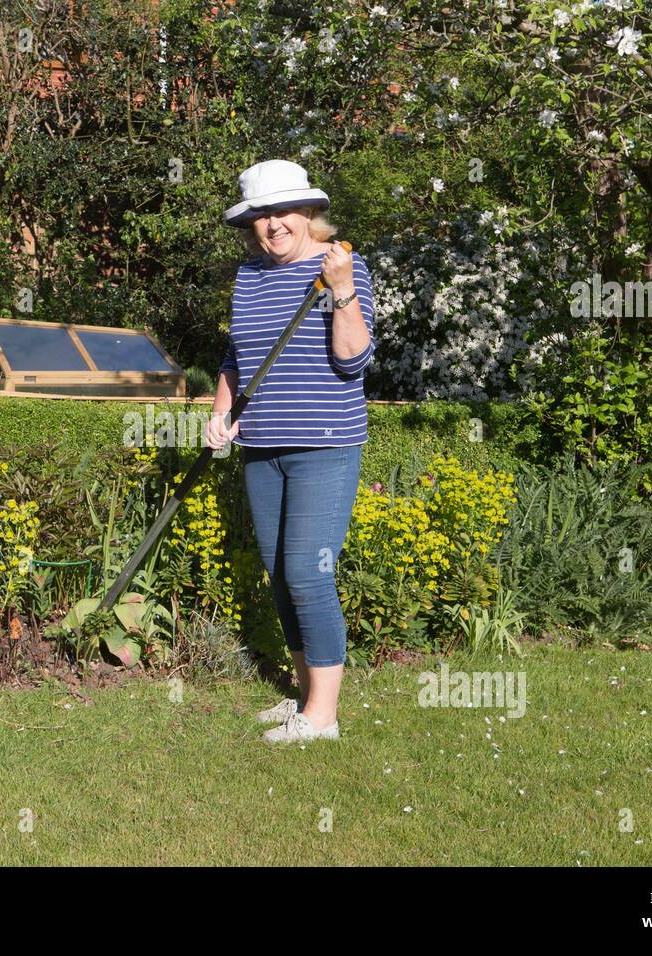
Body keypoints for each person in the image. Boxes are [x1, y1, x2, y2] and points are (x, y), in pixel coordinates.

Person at [205, 159, 375, 744]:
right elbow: (235, 358)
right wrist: (219, 412)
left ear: (308, 213)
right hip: (260, 444)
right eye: (259, 216)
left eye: (281, 212)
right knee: (280, 575)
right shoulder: (248, 278)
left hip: (324, 443)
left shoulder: (339, 271)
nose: (271, 225)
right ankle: (305, 699)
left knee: (309, 572)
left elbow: (353, 359)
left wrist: (344, 290)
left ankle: (323, 718)